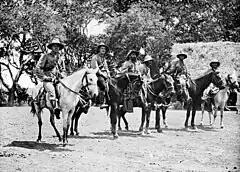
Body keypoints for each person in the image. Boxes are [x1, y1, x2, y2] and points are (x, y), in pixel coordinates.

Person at [35, 38, 65, 119]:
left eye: (58, 46)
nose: (56, 48)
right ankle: (55, 109)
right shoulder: (45, 56)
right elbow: (38, 69)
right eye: (54, 46)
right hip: (47, 79)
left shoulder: (60, 58)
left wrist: (62, 75)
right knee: (52, 91)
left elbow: (63, 70)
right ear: (51, 47)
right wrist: (45, 77)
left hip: (57, 80)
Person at [91, 43, 110, 108]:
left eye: (104, 49)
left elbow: (106, 68)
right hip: (96, 74)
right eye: (102, 48)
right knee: (102, 84)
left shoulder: (104, 59)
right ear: (99, 49)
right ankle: (100, 102)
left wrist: (108, 74)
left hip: (104, 74)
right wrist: (104, 75)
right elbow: (96, 69)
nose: (103, 50)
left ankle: (109, 100)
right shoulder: (95, 57)